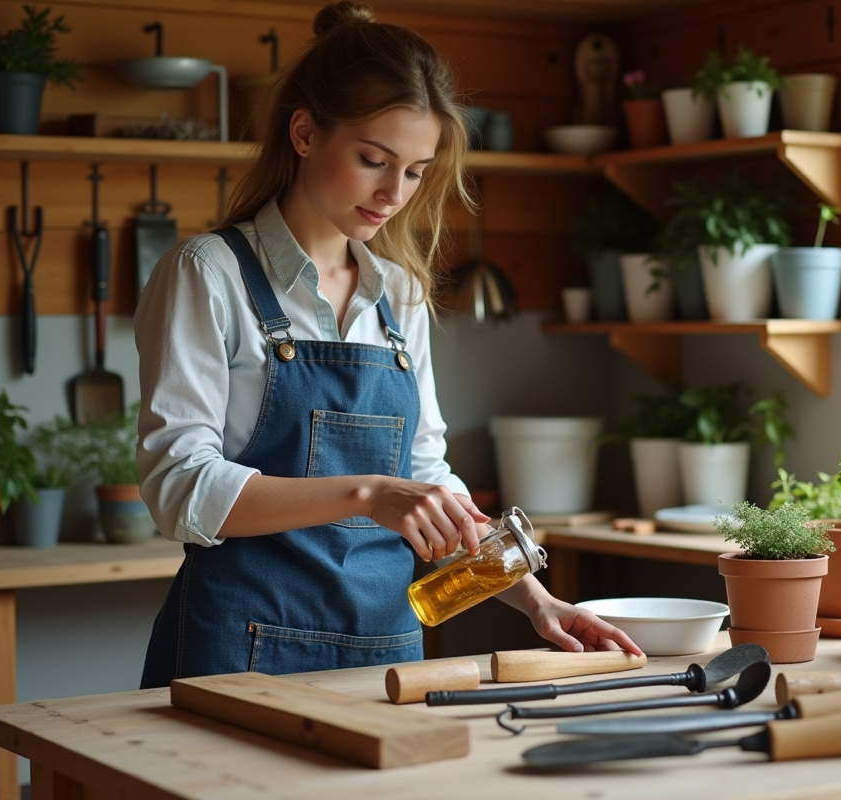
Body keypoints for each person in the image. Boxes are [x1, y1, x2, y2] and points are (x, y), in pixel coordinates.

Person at [134, 0, 641, 689]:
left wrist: (534, 597)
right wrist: (369, 493)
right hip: (240, 653)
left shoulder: (400, 295)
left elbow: (430, 480)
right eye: (374, 159)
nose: (393, 193)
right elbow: (179, 487)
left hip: (386, 656)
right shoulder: (208, 274)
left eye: (415, 170)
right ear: (306, 133)